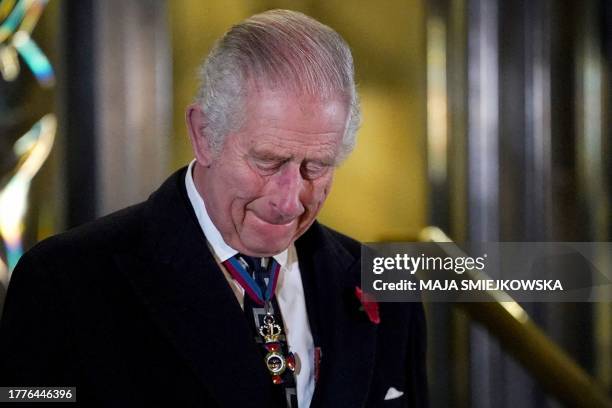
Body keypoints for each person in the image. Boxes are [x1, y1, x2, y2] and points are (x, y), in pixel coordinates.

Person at [0, 9, 427, 407]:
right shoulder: (64, 279)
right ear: (204, 135)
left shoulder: (385, 288)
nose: (289, 200)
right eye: (268, 161)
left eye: (316, 166)